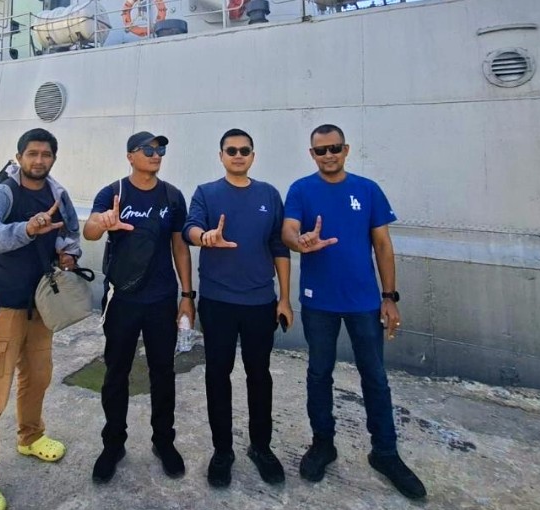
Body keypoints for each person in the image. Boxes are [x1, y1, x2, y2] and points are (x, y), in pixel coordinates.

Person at [282, 124, 427, 500]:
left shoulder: (367, 189)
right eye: (320, 150)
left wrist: (389, 296)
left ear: (346, 150)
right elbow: (288, 230)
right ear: (312, 154)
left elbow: (383, 245)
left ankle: (385, 453)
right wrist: (300, 241)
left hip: (364, 303)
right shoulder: (300, 190)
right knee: (318, 374)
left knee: (375, 377)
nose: (328, 155)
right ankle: (323, 444)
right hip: (319, 303)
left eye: (334, 148)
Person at [0, 128, 82, 510]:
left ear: (53, 158)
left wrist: (68, 254)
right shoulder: (3, 192)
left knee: (38, 377)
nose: (39, 160)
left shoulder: (58, 194)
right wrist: (27, 229)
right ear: (19, 157)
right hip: (4, 306)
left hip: (41, 306)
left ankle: (30, 437)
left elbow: (71, 234)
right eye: (32, 154)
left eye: (46, 154)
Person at [183, 128, 292, 488]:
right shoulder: (206, 193)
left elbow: (279, 246)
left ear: (253, 156)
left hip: (260, 302)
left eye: (245, 150)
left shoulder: (269, 194)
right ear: (221, 156)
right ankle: (223, 451)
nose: (238, 155)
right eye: (231, 150)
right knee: (218, 375)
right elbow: (190, 228)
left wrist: (284, 298)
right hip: (218, 303)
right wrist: (204, 237)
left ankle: (261, 447)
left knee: (259, 376)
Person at [83, 131, 194, 484]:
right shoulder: (113, 192)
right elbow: (89, 231)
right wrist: (103, 222)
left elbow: (179, 247)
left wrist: (187, 296)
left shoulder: (172, 196)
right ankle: (113, 444)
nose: (156, 154)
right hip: (122, 300)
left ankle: (164, 441)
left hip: (161, 299)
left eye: (160, 149)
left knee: (163, 372)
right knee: (116, 372)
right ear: (130, 156)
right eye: (148, 149)